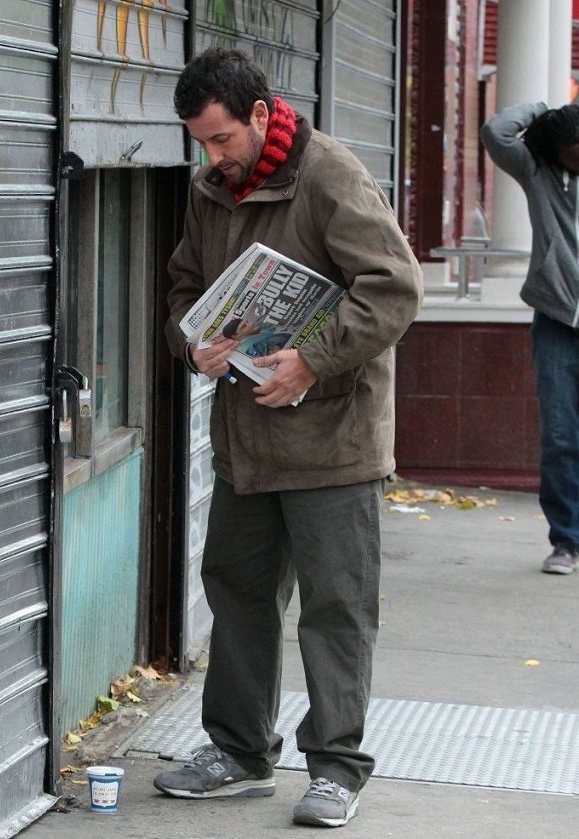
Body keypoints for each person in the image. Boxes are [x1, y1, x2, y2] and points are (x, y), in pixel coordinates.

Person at [156, 47, 423, 828]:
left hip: (333, 439)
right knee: (237, 593)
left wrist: (311, 359)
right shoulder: (210, 189)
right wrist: (190, 339)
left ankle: (336, 766)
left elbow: (393, 287)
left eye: (221, 139)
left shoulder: (330, 173)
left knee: (335, 606)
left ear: (262, 115)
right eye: (200, 143)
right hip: (245, 438)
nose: (212, 157)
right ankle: (239, 752)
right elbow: (181, 286)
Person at [481, 103, 579, 576]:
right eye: (572, 150)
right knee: (561, 437)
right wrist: (545, 109)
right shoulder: (537, 170)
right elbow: (495, 132)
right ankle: (566, 541)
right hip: (557, 322)